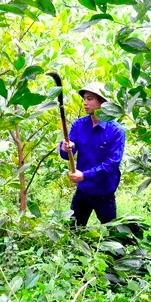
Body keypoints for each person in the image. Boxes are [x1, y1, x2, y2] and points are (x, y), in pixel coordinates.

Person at [59, 82, 126, 227]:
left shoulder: (116, 131)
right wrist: (66, 147)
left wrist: (84, 175)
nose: (85, 103)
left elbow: (112, 164)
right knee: (73, 230)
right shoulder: (79, 125)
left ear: (102, 102)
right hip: (83, 190)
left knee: (111, 235)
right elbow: (67, 154)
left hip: (104, 192)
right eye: (84, 99)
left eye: (90, 99)